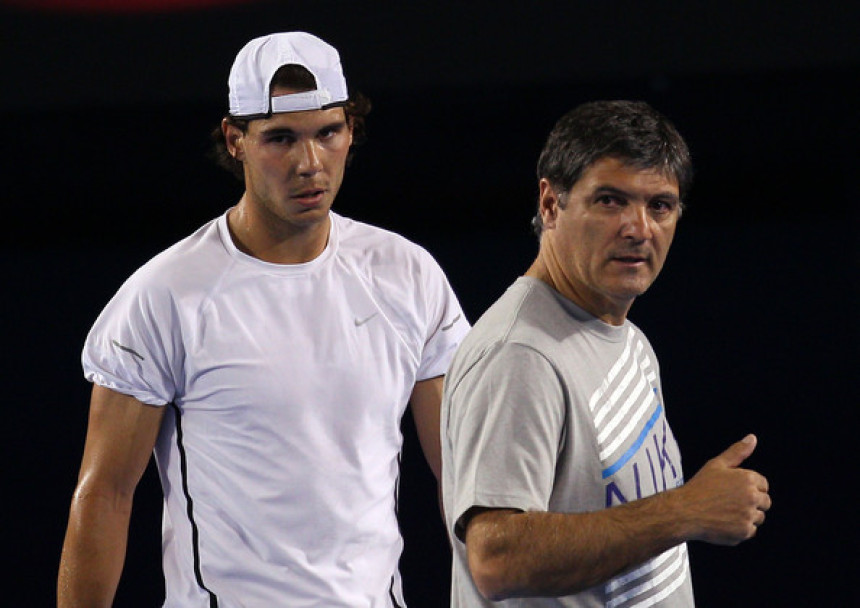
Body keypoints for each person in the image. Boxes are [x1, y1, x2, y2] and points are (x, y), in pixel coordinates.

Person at [58, 31, 469, 607]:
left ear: (351, 131)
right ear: (236, 140)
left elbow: (463, 474)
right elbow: (105, 495)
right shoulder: (164, 295)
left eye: (328, 132)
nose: (309, 163)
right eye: (281, 138)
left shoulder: (409, 275)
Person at [441, 100, 772, 607]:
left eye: (659, 206)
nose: (638, 228)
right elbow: (497, 558)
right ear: (550, 205)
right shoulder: (520, 354)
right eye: (611, 201)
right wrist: (683, 510)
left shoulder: (628, 339)